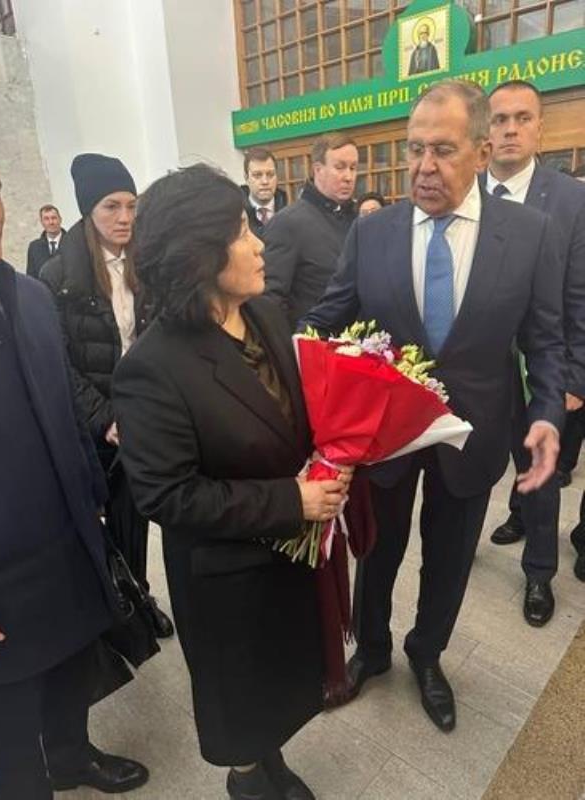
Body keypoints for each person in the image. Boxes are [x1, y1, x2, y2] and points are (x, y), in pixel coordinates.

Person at [302, 79, 565, 733]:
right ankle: (374, 649)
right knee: (379, 549)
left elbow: (546, 338)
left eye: (442, 150)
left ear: (480, 151)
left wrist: (548, 413)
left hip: (473, 434)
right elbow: (324, 325)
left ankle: (427, 653)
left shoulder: (530, 234)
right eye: (414, 149)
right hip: (386, 438)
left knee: (448, 558)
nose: (423, 166)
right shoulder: (374, 234)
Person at [113, 164, 350, 800]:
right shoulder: (152, 368)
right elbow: (166, 495)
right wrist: (290, 499)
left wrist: (340, 448)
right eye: (241, 231)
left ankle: (267, 757)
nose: (259, 245)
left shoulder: (267, 313)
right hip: (226, 577)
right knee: (241, 697)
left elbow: (292, 416)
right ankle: (247, 777)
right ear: (199, 251)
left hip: (287, 557)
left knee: (280, 681)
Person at [0, 153, 148, 798]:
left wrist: (93, 497)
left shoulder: (27, 295)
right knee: (10, 725)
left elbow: (58, 408)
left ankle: (73, 755)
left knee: (72, 670)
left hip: (66, 537)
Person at [40, 153, 173, 639]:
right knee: (96, 523)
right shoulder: (58, 278)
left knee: (135, 519)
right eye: (111, 206)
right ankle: (105, 603)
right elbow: (59, 364)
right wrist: (105, 419)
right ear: (87, 212)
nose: (124, 218)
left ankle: (137, 596)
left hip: (140, 417)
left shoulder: (149, 266)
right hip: (92, 426)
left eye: (131, 205)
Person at [485, 80, 585, 626]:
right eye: (499, 119)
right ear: (486, 129)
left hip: (543, 368)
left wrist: (575, 377)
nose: (510, 129)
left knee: (541, 471)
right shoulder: (466, 190)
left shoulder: (570, 199)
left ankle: (540, 573)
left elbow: (581, 296)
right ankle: (513, 516)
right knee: (473, 469)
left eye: (523, 118)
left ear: (540, 127)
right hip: (477, 372)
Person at [264, 132, 358, 330]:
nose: (348, 177)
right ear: (318, 169)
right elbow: (270, 300)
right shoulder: (288, 223)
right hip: (312, 348)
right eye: (340, 167)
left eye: (353, 168)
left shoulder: (359, 221)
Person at [241, 146, 287, 239]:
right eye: (257, 175)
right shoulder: (236, 218)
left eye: (270, 174)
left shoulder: (290, 214)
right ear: (246, 178)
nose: (265, 181)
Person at [26, 203, 65, 279]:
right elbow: (31, 278)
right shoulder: (34, 247)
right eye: (46, 219)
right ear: (42, 222)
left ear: (60, 220)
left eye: (54, 218)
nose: (51, 222)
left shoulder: (71, 243)